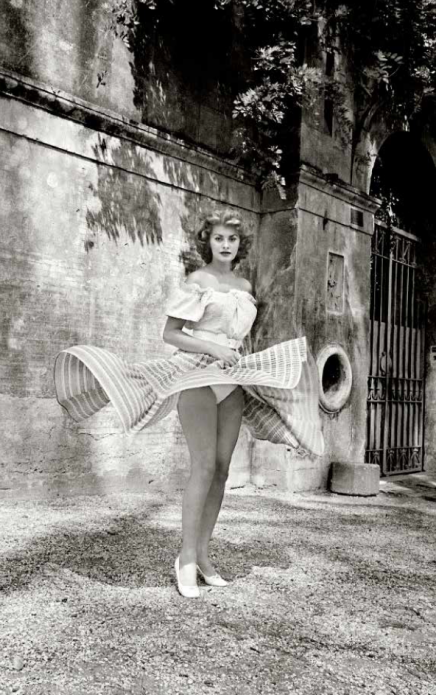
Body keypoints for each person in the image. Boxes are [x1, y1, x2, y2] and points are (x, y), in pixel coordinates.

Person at [54, 209, 324, 599]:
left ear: (240, 244)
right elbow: (172, 333)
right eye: (218, 238)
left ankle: (203, 554)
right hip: (196, 374)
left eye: (232, 239)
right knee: (202, 466)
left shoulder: (245, 286)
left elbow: (237, 337)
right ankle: (184, 558)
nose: (226, 245)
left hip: (231, 379)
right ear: (208, 241)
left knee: (221, 469)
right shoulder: (196, 281)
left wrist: (237, 356)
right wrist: (212, 346)